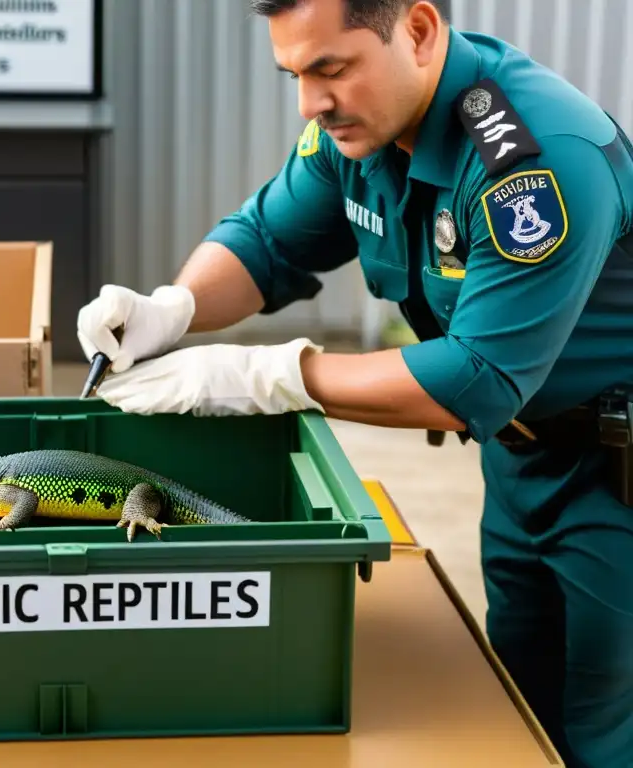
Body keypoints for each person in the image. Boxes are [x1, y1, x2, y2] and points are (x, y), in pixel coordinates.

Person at [76, 1, 633, 765]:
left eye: (331, 69)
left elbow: (476, 376)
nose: (310, 103)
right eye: (296, 74)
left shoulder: (533, 161)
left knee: (607, 713)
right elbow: (268, 241)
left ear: (419, 30)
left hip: (614, 476)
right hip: (517, 462)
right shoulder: (360, 132)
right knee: (521, 688)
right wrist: (173, 309)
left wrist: (274, 374)